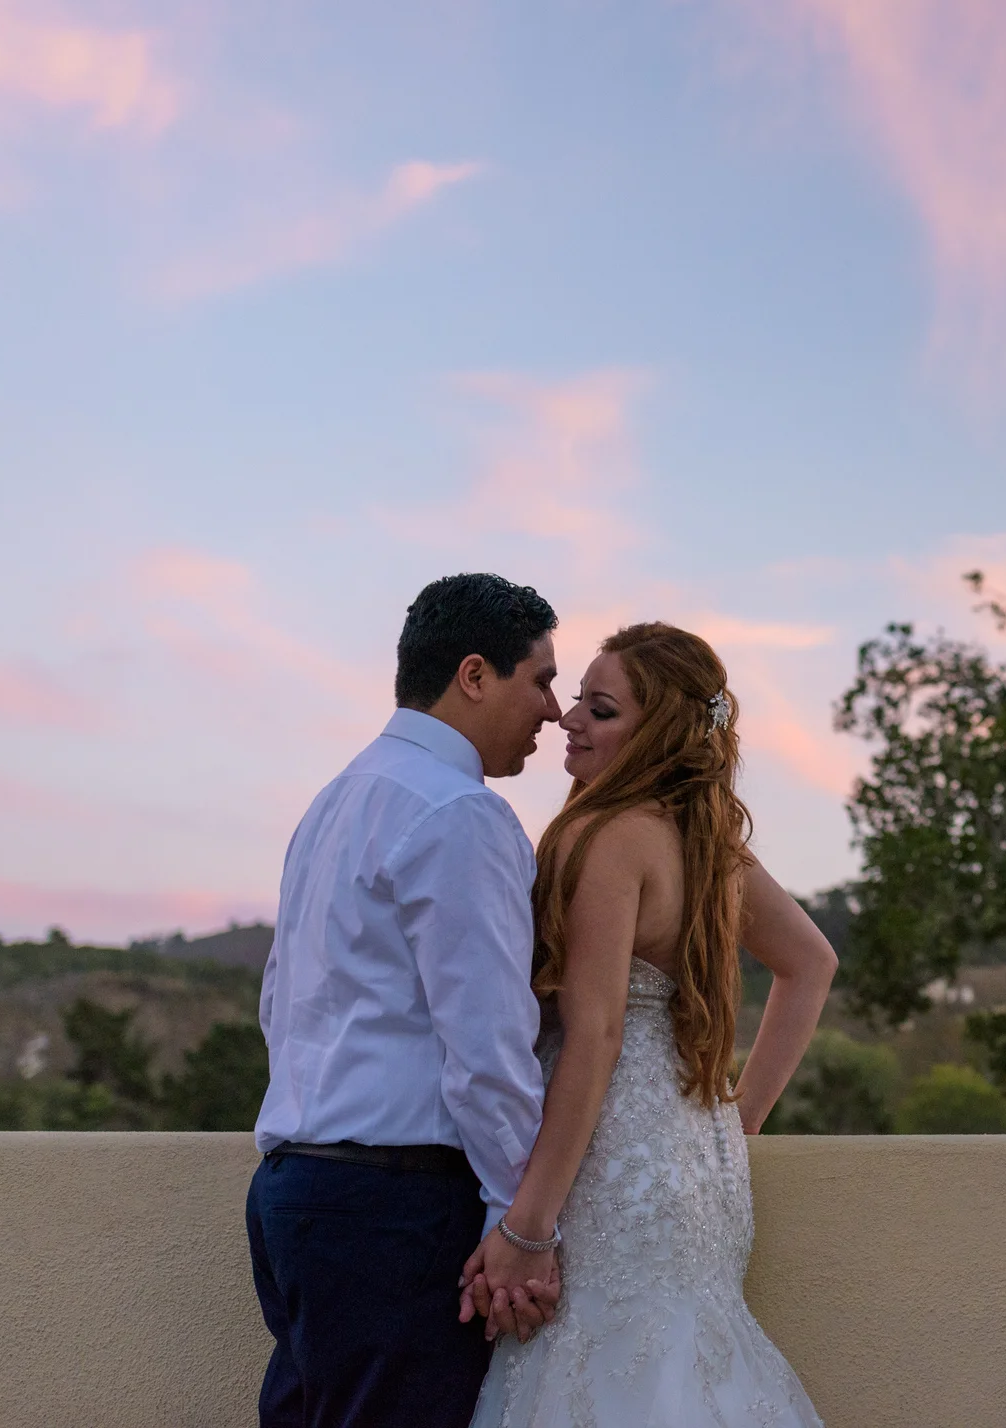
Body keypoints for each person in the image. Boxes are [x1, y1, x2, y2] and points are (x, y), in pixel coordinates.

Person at [466, 621, 838, 1428]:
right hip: (697, 1164)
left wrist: (526, 1229)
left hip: (610, 1169)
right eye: (576, 703)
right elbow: (811, 964)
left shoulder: (608, 838)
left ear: (659, 732)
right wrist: (738, 1123)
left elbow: (592, 1037)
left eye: (599, 711)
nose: (570, 722)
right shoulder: (707, 844)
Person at [249, 573, 566, 1428]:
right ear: (474, 674)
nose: (554, 710)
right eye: (540, 679)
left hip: (292, 1194)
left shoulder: (335, 800)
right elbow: (490, 1042)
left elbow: (279, 1000)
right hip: (392, 1213)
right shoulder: (459, 812)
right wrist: (519, 1225)